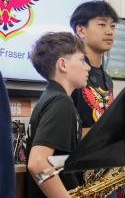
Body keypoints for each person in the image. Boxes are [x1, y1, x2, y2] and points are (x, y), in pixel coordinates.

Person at [26, 32, 90, 198]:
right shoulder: (61, 103)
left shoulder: (51, 98)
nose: (88, 67)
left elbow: (54, 160)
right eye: (82, 60)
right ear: (63, 65)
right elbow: (37, 164)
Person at [70, 0, 119, 137]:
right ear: (81, 30)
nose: (110, 32)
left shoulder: (108, 80)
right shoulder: (71, 72)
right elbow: (66, 128)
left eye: (112, 26)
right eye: (102, 24)